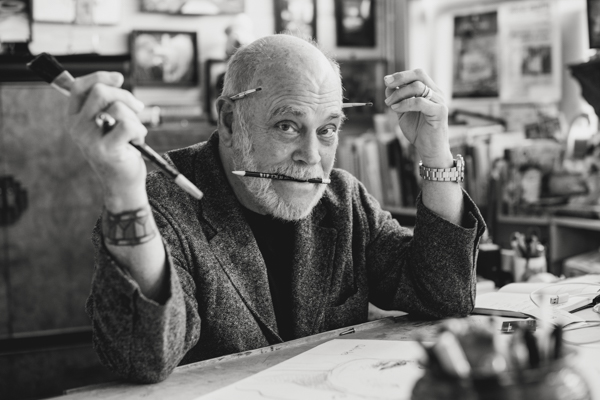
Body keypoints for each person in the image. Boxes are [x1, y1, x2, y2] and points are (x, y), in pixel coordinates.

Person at [68, 33, 485, 383]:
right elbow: (142, 359)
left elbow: (445, 295)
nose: (311, 156)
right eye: (288, 126)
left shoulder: (343, 199)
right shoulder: (160, 200)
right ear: (230, 121)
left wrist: (434, 152)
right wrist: (123, 186)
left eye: (327, 130)